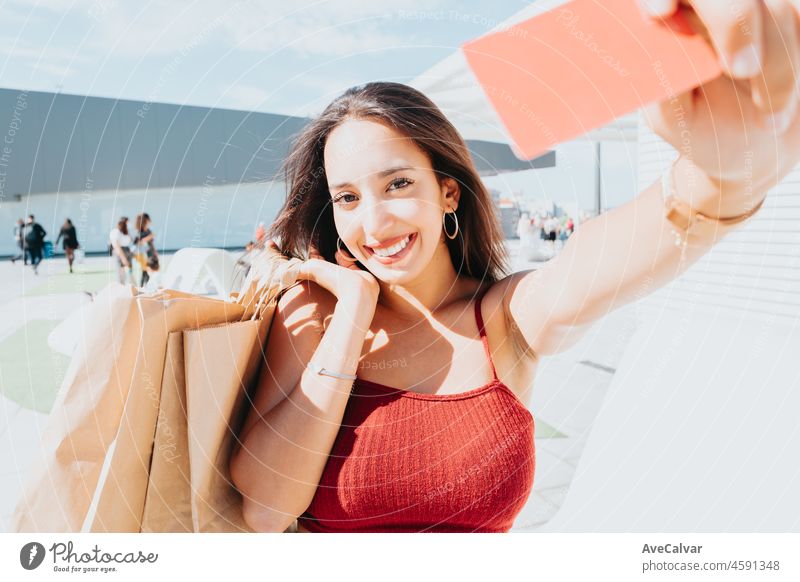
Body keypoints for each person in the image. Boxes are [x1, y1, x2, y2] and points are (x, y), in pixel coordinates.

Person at [230, 0, 800, 533]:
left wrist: (721, 175)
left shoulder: (502, 319)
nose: (374, 223)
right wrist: (352, 315)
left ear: (448, 193)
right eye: (348, 198)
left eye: (398, 184)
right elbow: (266, 507)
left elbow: (597, 260)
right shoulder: (314, 311)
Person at [134, 213, 159, 287]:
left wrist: (155, 252)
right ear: (145, 220)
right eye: (148, 219)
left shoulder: (148, 230)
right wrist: (149, 236)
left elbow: (151, 243)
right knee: (145, 270)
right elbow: (138, 243)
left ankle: (145, 286)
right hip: (144, 254)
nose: (149, 221)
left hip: (151, 252)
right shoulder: (139, 232)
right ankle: (142, 286)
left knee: (149, 270)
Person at [109, 217, 134, 285]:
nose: (129, 224)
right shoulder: (115, 231)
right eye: (128, 223)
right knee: (121, 274)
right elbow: (116, 246)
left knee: (129, 273)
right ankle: (121, 289)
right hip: (120, 253)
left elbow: (131, 241)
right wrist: (123, 258)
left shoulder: (125, 232)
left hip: (127, 252)